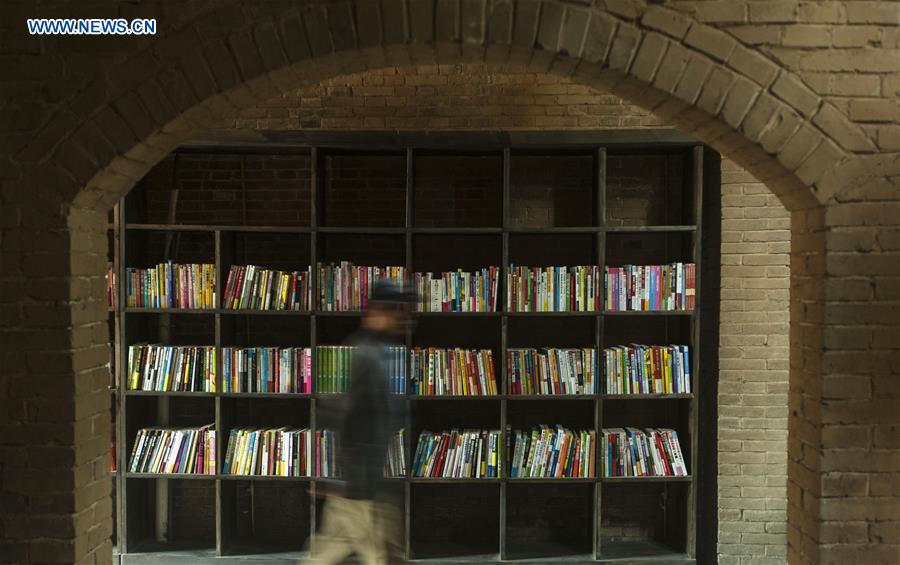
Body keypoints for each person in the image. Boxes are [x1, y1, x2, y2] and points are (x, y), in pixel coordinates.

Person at [308, 279, 412, 565]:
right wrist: (341, 479)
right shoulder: (365, 353)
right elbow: (345, 413)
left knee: (344, 548)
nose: (402, 318)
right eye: (396, 310)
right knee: (379, 554)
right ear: (378, 312)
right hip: (361, 480)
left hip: (372, 477)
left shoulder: (382, 351)